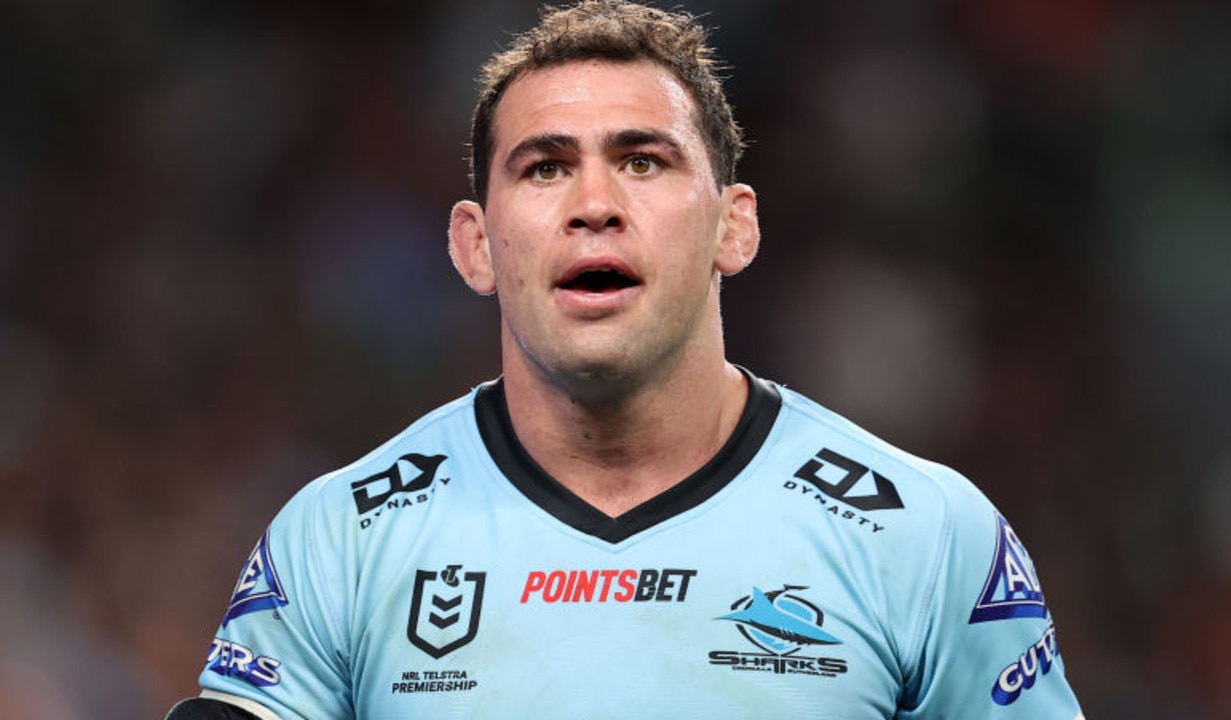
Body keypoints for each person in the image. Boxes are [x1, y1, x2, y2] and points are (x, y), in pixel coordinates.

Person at [166, 1, 1085, 718]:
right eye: (544, 167)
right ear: (476, 246)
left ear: (735, 226)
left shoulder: (924, 535)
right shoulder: (343, 540)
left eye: (643, 161)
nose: (594, 203)